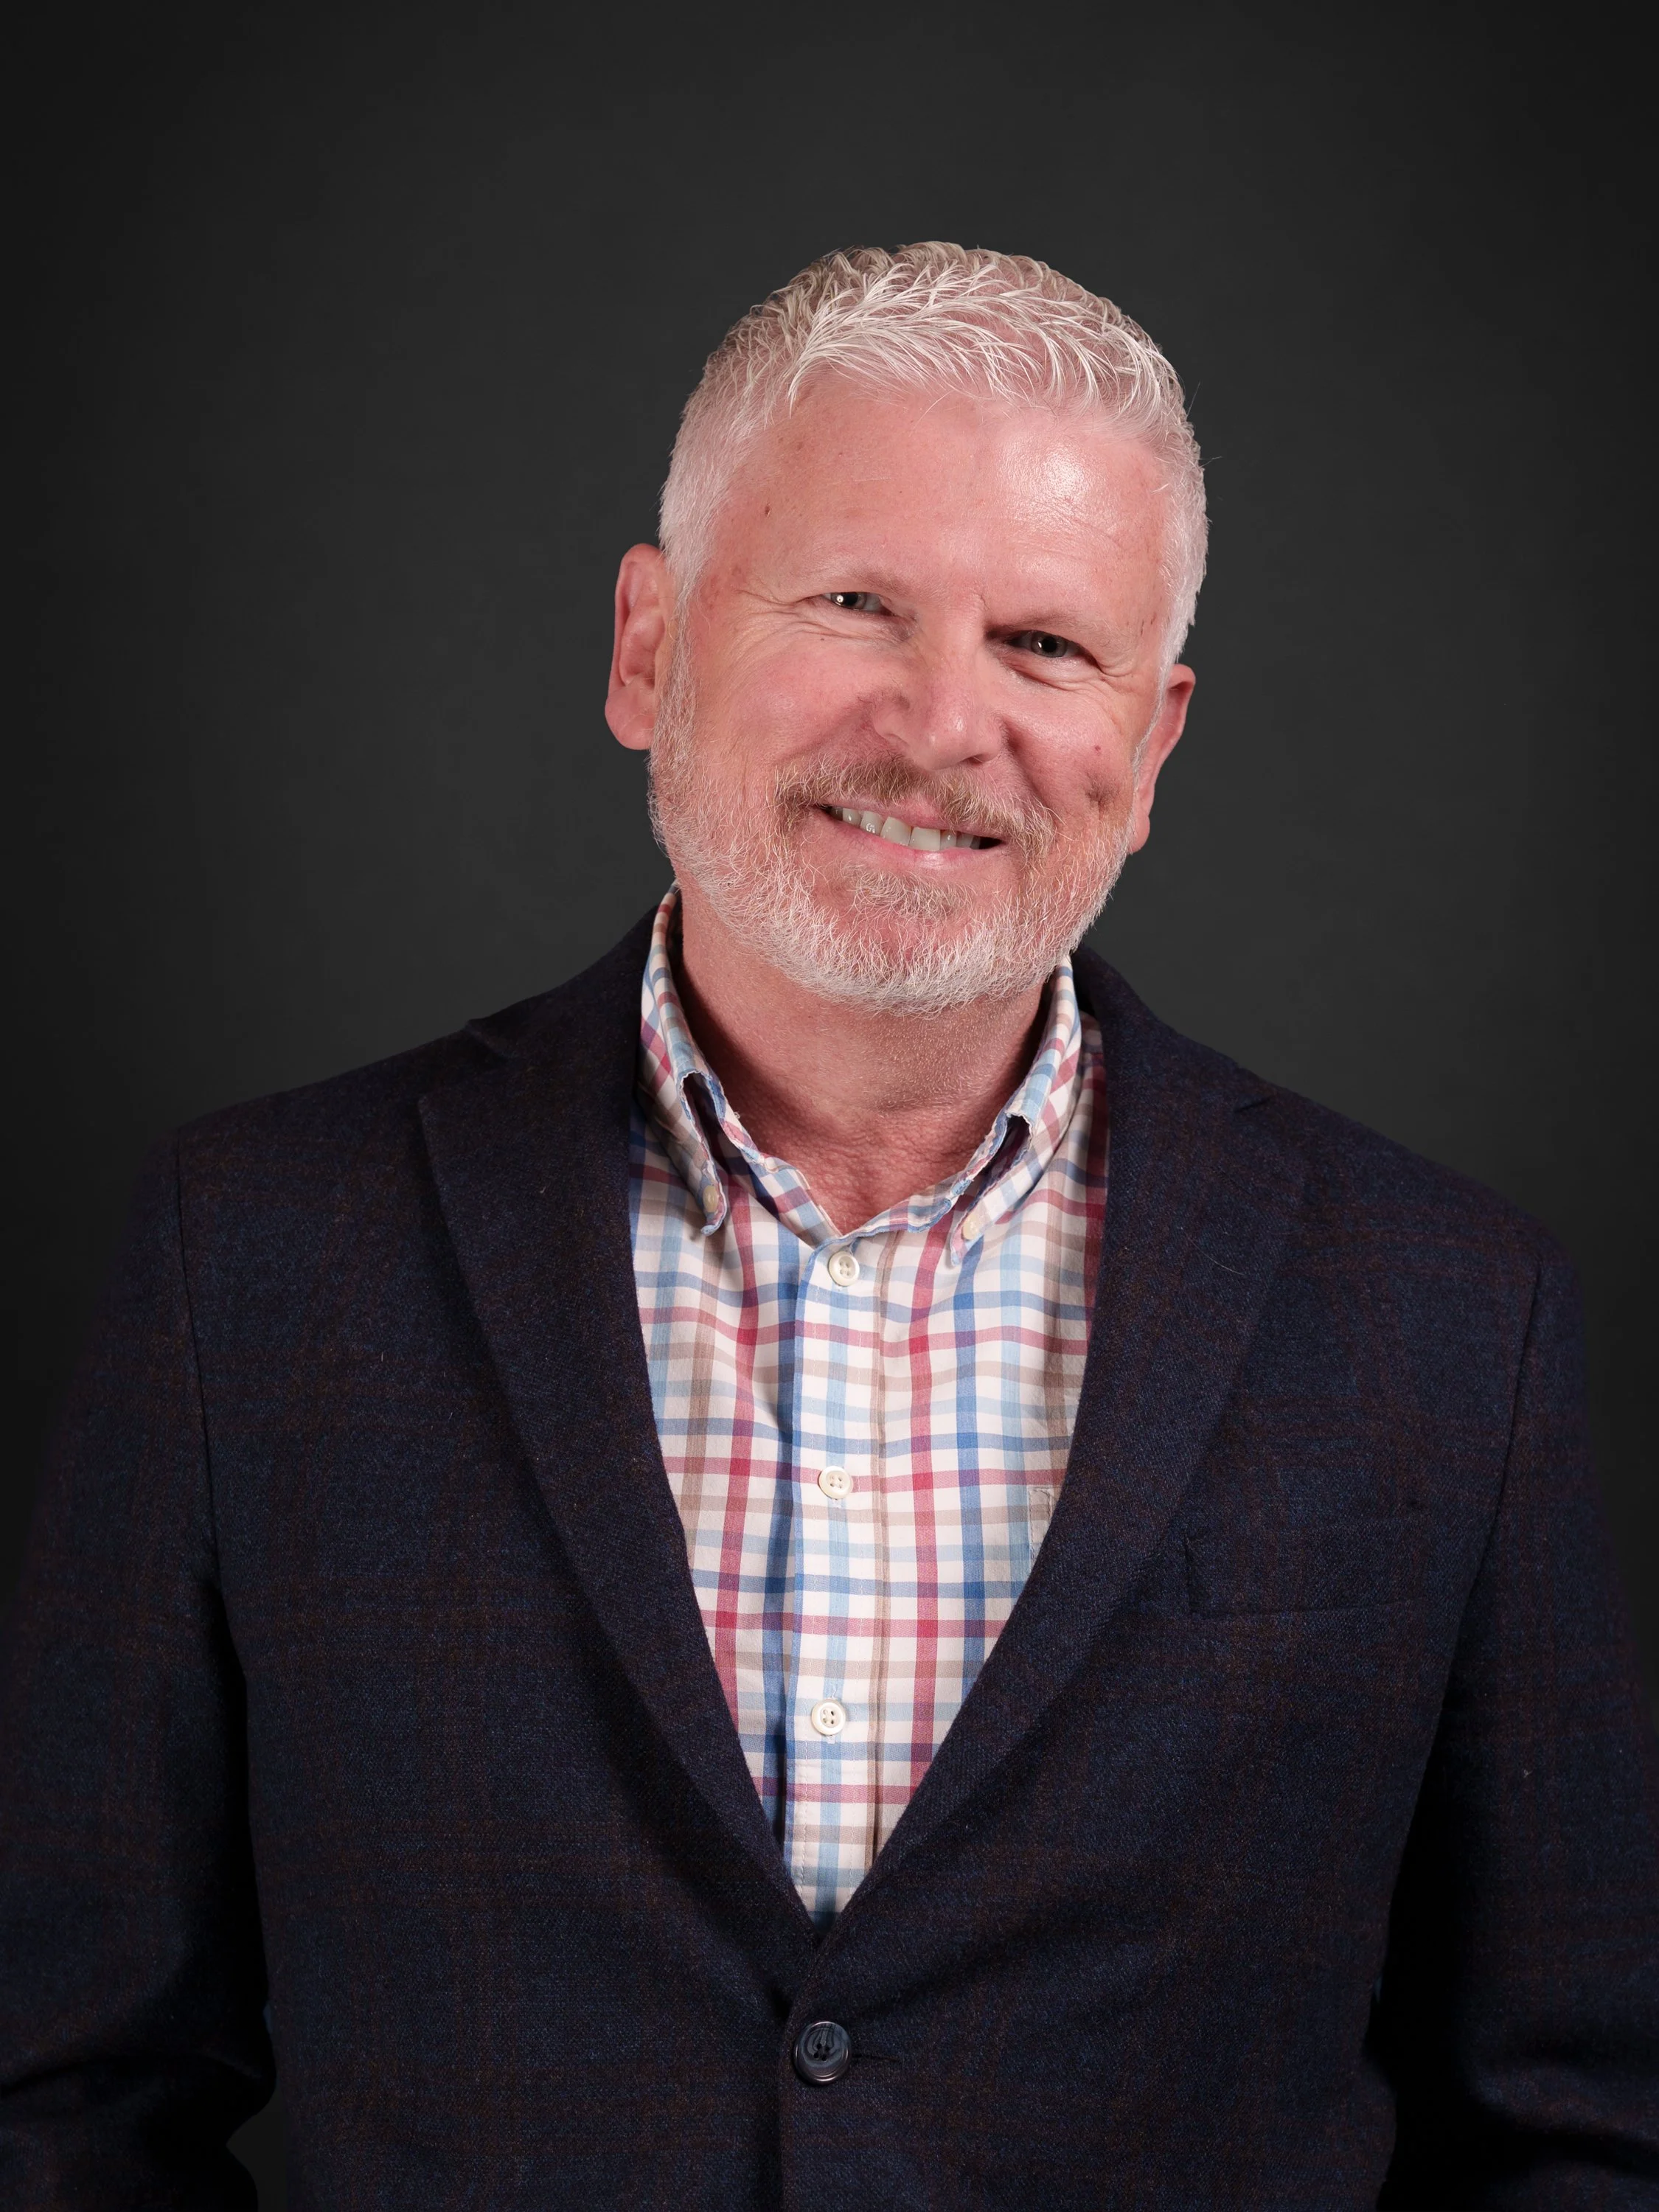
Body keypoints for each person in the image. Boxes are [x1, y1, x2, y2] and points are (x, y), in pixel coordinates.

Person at [1, 242, 1655, 2211]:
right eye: (858, 602)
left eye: (1046, 647)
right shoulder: (252, 1261)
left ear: (1156, 748)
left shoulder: (1450, 1318)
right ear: (646, 647)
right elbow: (66, 2101)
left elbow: (1575, 2138)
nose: (944, 722)